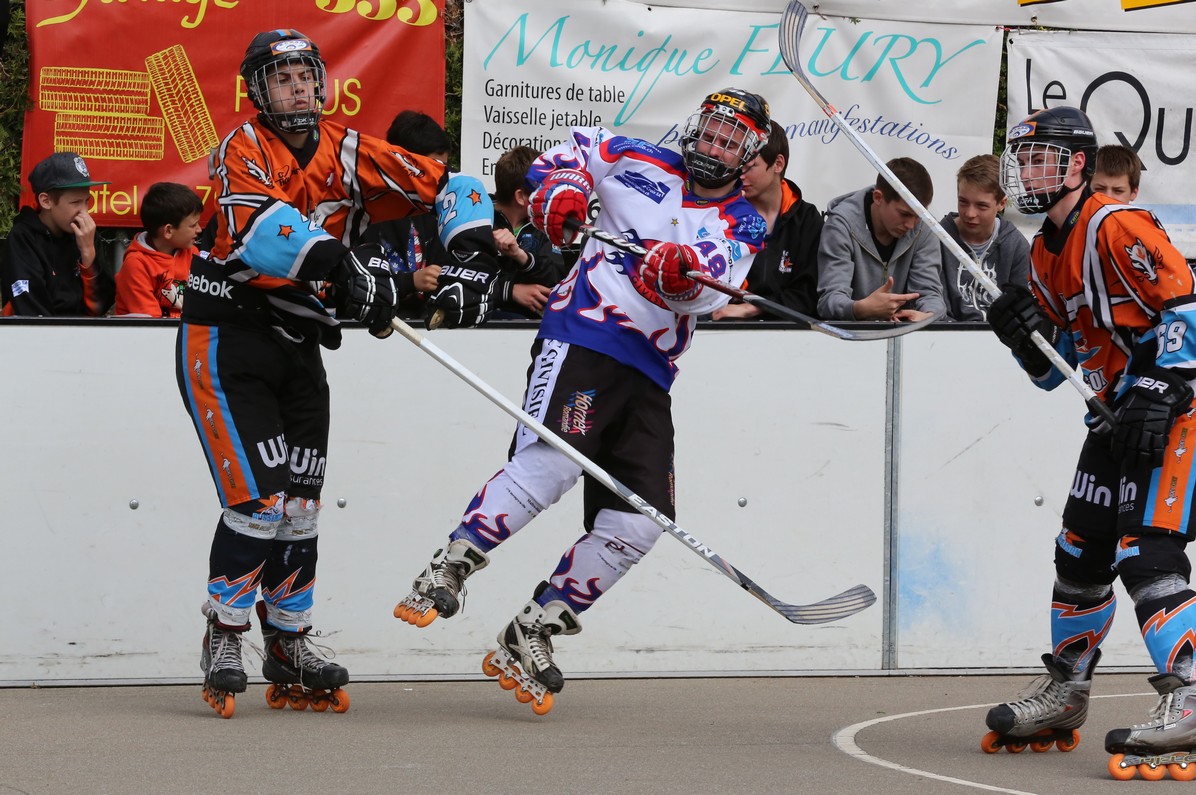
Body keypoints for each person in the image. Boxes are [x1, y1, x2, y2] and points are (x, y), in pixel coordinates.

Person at [393, 88, 771, 712]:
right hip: (584, 335)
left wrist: (682, 276)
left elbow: (715, 282)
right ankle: (453, 563)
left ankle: (536, 625)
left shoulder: (744, 221)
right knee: (554, 461)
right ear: (695, 127)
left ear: (748, 156)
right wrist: (562, 186)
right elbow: (571, 153)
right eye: (710, 130)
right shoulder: (636, 156)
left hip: (650, 371)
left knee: (640, 521)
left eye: (730, 142)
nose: (714, 145)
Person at [180, 28, 498, 718]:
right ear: (257, 90)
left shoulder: (349, 148)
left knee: (300, 506)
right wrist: (349, 269)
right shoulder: (240, 148)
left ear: (322, 83)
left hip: (299, 345)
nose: (297, 88)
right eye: (281, 77)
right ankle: (224, 632)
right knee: (258, 504)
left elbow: (452, 185)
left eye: (305, 75)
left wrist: (472, 258)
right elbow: (260, 230)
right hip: (229, 338)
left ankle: (289, 641)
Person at [981, 106, 1196, 775]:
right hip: (1113, 416)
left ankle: (1195, 693)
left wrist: (1160, 390)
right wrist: (1022, 335)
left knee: (1147, 552)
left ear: (1077, 165)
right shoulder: (1043, 250)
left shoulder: (1116, 225)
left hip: (1176, 410)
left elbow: (1190, 306)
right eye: (1021, 159)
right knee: (1079, 553)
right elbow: (1056, 370)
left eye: (1039, 159)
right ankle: (1067, 689)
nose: (1025, 172)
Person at [712, 120, 823, 321]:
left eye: (749, 167)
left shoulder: (807, 219)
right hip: (721, 329)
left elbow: (809, 295)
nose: (739, 176)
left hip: (792, 334)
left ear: (778, 164)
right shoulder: (721, 213)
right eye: (736, 167)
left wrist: (754, 308)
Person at [816, 157, 945, 322]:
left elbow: (931, 295)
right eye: (904, 214)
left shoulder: (925, 228)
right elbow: (829, 300)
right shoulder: (841, 225)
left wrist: (927, 316)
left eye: (919, 216)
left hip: (906, 334)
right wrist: (861, 309)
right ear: (878, 198)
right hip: (850, 335)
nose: (911, 225)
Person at [358, 109, 450, 319]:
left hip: (426, 325)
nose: (439, 177)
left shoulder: (437, 211)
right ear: (402, 162)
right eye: (432, 167)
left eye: (443, 168)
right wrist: (409, 282)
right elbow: (353, 283)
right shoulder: (362, 211)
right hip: (369, 326)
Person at [1, 151, 114, 316]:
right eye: (75, 202)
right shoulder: (23, 238)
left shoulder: (86, 236)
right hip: (35, 330)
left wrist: (88, 255)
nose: (84, 211)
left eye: (86, 201)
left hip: (82, 330)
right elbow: (30, 309)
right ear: (46, 201)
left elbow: (101, 306)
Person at [936, 154, 1030, 322]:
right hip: (946, 332)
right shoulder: (937, 239)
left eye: (981, 206)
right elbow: (934, 305)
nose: (970, 213)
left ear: (1002, 203)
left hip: (999, 336)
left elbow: (1022, 310)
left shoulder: (1016, 246)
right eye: (963, 202)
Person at [490, 144, 570, 319]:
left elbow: (557, 283)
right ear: (521, 197)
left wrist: (522, 257)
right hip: (477, 327)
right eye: (544, 188)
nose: (550, 194)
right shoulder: (477, 219)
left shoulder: (546, 224)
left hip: (530, 328)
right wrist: (509, 291)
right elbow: (461, 281)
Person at [114, 182, 204, 318]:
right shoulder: (136, 264)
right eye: (193, 225)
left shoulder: (192, 253)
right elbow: (150, 323)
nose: (199, 229)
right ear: (168, 230)